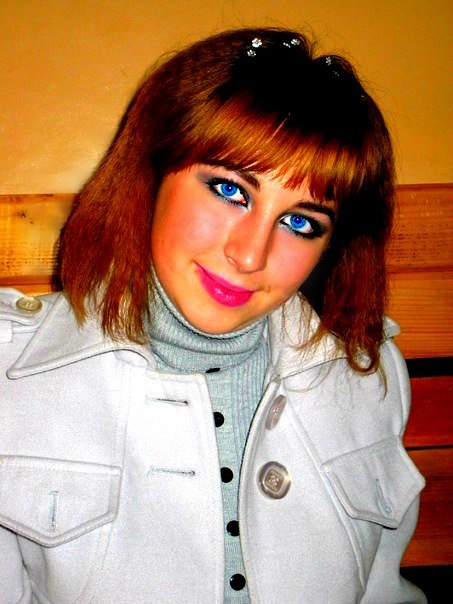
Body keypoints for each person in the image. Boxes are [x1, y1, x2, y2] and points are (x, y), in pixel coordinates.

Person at [0, 27, 426, 603]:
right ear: (152, 174)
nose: (250, 255)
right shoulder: (11, 376)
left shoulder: (369, 376)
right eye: (229, 190)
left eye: (301, 222)